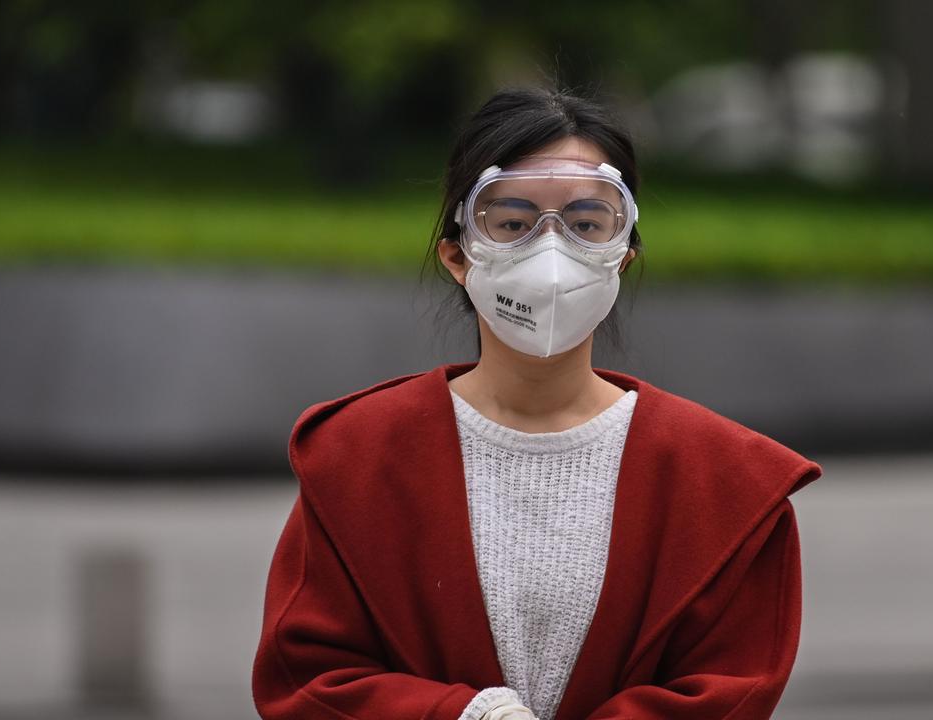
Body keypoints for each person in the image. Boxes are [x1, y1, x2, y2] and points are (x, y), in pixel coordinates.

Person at [251, 87, 823, 720]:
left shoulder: (725, 483)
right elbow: (305, 677)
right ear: (457, 254)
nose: (551, 255)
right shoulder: (356, 457)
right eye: (514, 223)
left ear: (623, 254)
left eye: (585, 224)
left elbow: (729, 688)